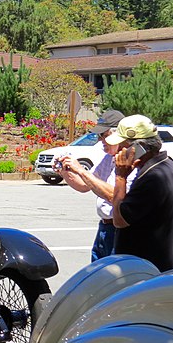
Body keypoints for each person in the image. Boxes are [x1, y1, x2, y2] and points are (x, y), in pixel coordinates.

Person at [107, 114, 173, 272]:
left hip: (143, 272)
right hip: (160, 268)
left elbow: (119, 220)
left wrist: (120, 176)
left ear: (138, 149)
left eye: (122, 146)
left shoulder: (153, 177)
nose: (118, 151)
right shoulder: (169, 166)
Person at [58, 109, 135, 261]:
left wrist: (80, 169)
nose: (100, 140)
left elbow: (115, 195)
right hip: (104, 228)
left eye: (103, 135)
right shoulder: (108, 159)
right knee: (98, 277)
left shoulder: (130, 162)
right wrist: (65, 172)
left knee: (115, 278)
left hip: (119, 230)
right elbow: (84, 185)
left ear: (117, 135)